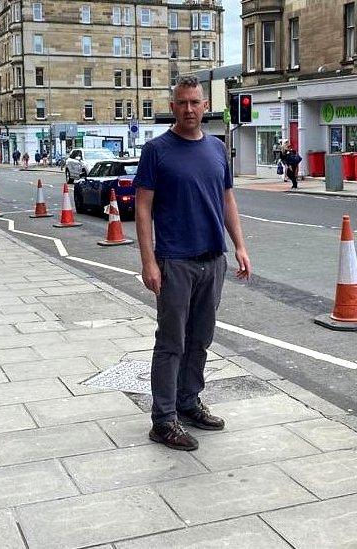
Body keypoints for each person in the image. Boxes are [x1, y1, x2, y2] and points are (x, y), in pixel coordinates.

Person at [134, 75, 251, 452]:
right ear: (173, 107)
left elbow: (227, 199)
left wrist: (240, 246)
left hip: (212, 259)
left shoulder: (217, 148)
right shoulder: (157, 150)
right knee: (171, 342)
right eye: (182, 102)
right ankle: (163, 419)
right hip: (175, 261)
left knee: (200, 339)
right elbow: (142, 208)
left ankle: (189, 403)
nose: (189, 109)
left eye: (195, 102)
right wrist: (148, 262)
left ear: (205, 106)